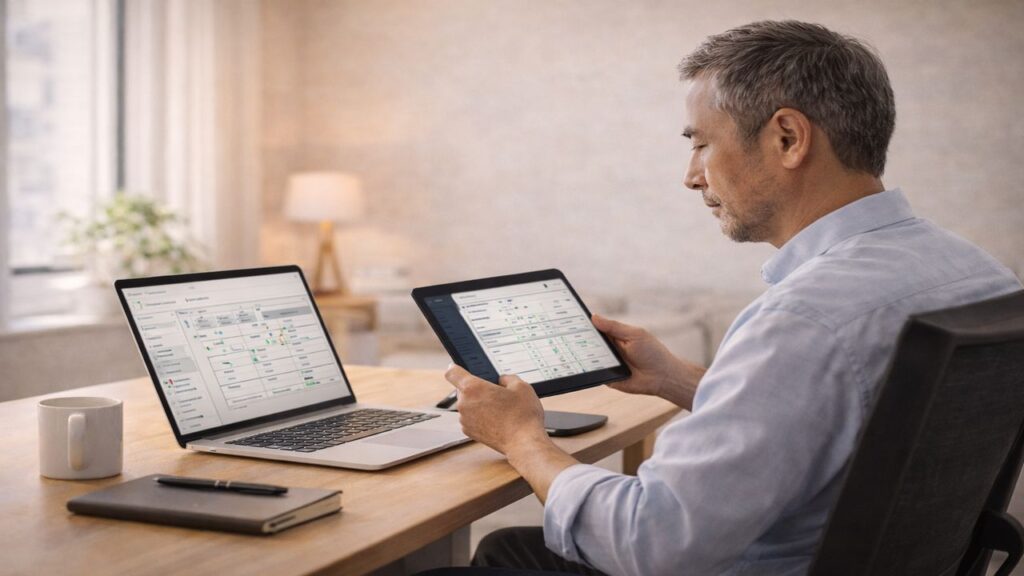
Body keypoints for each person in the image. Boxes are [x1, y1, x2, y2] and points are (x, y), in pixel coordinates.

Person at [435, 20, 1022, 576]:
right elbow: (860, 422)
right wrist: (678, 381)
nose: (691, 176)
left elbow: (649, 544)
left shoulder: (804, 320)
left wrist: (521, 438)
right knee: (510, 547)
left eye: (700, 144)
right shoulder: (981, 276)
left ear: (788, 138)